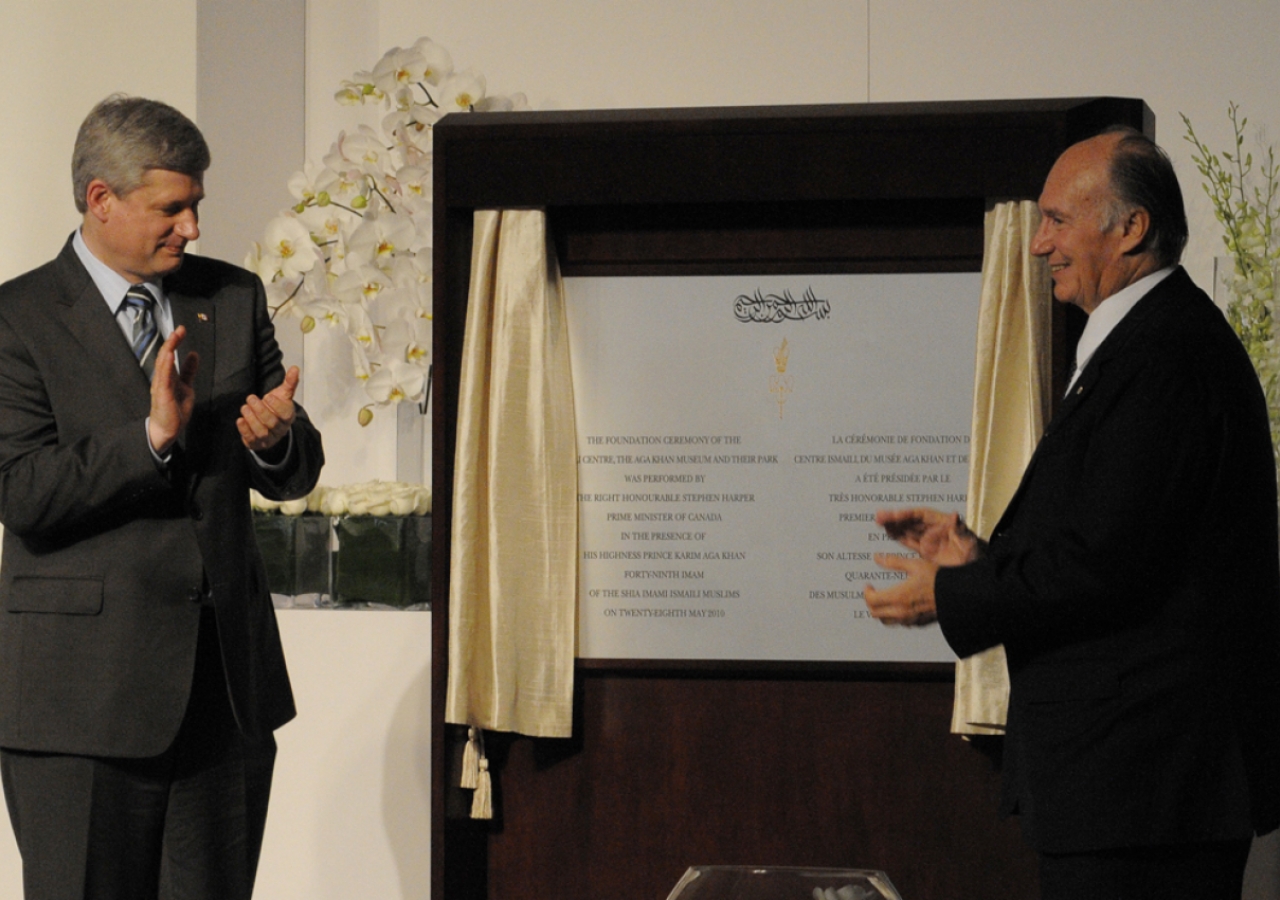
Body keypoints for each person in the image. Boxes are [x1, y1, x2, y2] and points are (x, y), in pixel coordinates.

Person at [864, 128, 1280, 899]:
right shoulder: (1151, 345)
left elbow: (1106, 564)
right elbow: (1118, 545)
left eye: (1057, 220)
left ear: (1131, 228)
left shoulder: (1167, 355)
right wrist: (980, 559)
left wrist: (952, 595)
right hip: (1132, 790)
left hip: (1148, 792)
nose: (1037, 245)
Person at [0, 95, 324, 899]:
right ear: (100, 199)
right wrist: (149, 439)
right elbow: (23, 491)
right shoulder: (16, 318)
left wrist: (275, 440)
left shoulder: (235, 296)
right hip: (79, 707)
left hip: (223, 697)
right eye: (171, 208)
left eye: (197, 205)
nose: (192, 228)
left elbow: (291, 467)